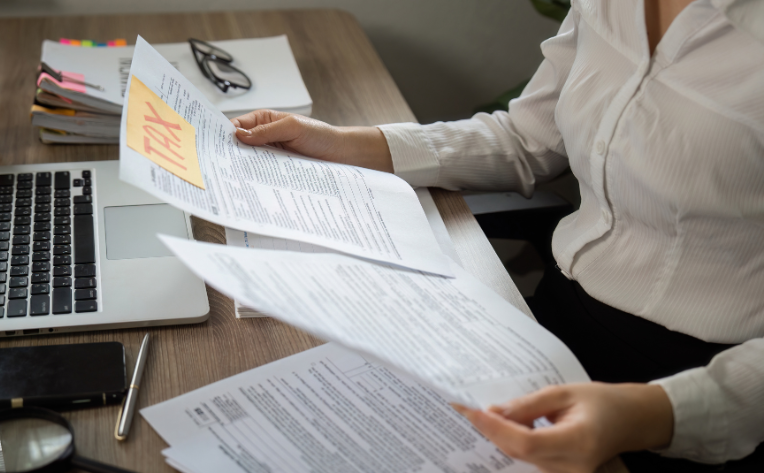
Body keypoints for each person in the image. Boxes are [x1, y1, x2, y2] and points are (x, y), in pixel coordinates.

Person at [228, 0, 764, 472]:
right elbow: (529, 139)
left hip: (708, 391)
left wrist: (654, 416)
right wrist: (349, 144)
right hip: (547, 325)